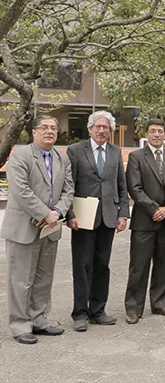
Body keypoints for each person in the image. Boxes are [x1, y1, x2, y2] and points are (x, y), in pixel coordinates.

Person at [1, 115, 74, 344]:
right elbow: (20, 190)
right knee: (21, 280)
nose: (50, 131)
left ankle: (39, 320)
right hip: (24, 228)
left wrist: (58, 213)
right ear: (34, 132)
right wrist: (46, 213)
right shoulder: (21, 155)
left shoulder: (62, 158)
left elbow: (68, 190)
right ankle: (20, 325)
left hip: (50, 229)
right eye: (44, 127)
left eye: (54, 127)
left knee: (44, 279)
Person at [66, 111, 129, 332]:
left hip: (108, 217)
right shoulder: (75, 151)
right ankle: (80, 313)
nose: (102, 131)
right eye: (98, 126)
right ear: (90, 128)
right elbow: (69, 185)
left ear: (111, 132)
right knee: (82, 265)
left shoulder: (115, 152)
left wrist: (123, 213)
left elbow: (121, 185)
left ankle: (98, 310)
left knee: (102, 266)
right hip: (83, 217)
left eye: (106, 128)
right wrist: (70, 214)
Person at [124, 118, 165, 324]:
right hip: (144, 220)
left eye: (160, 131)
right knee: (139, 267)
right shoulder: (136, 157)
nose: (157, 135)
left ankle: (161, 303)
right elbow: (135, 188)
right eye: (152, 131)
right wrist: (153, 209)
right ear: (147, 135)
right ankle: (133, 307)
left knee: (163, 264)